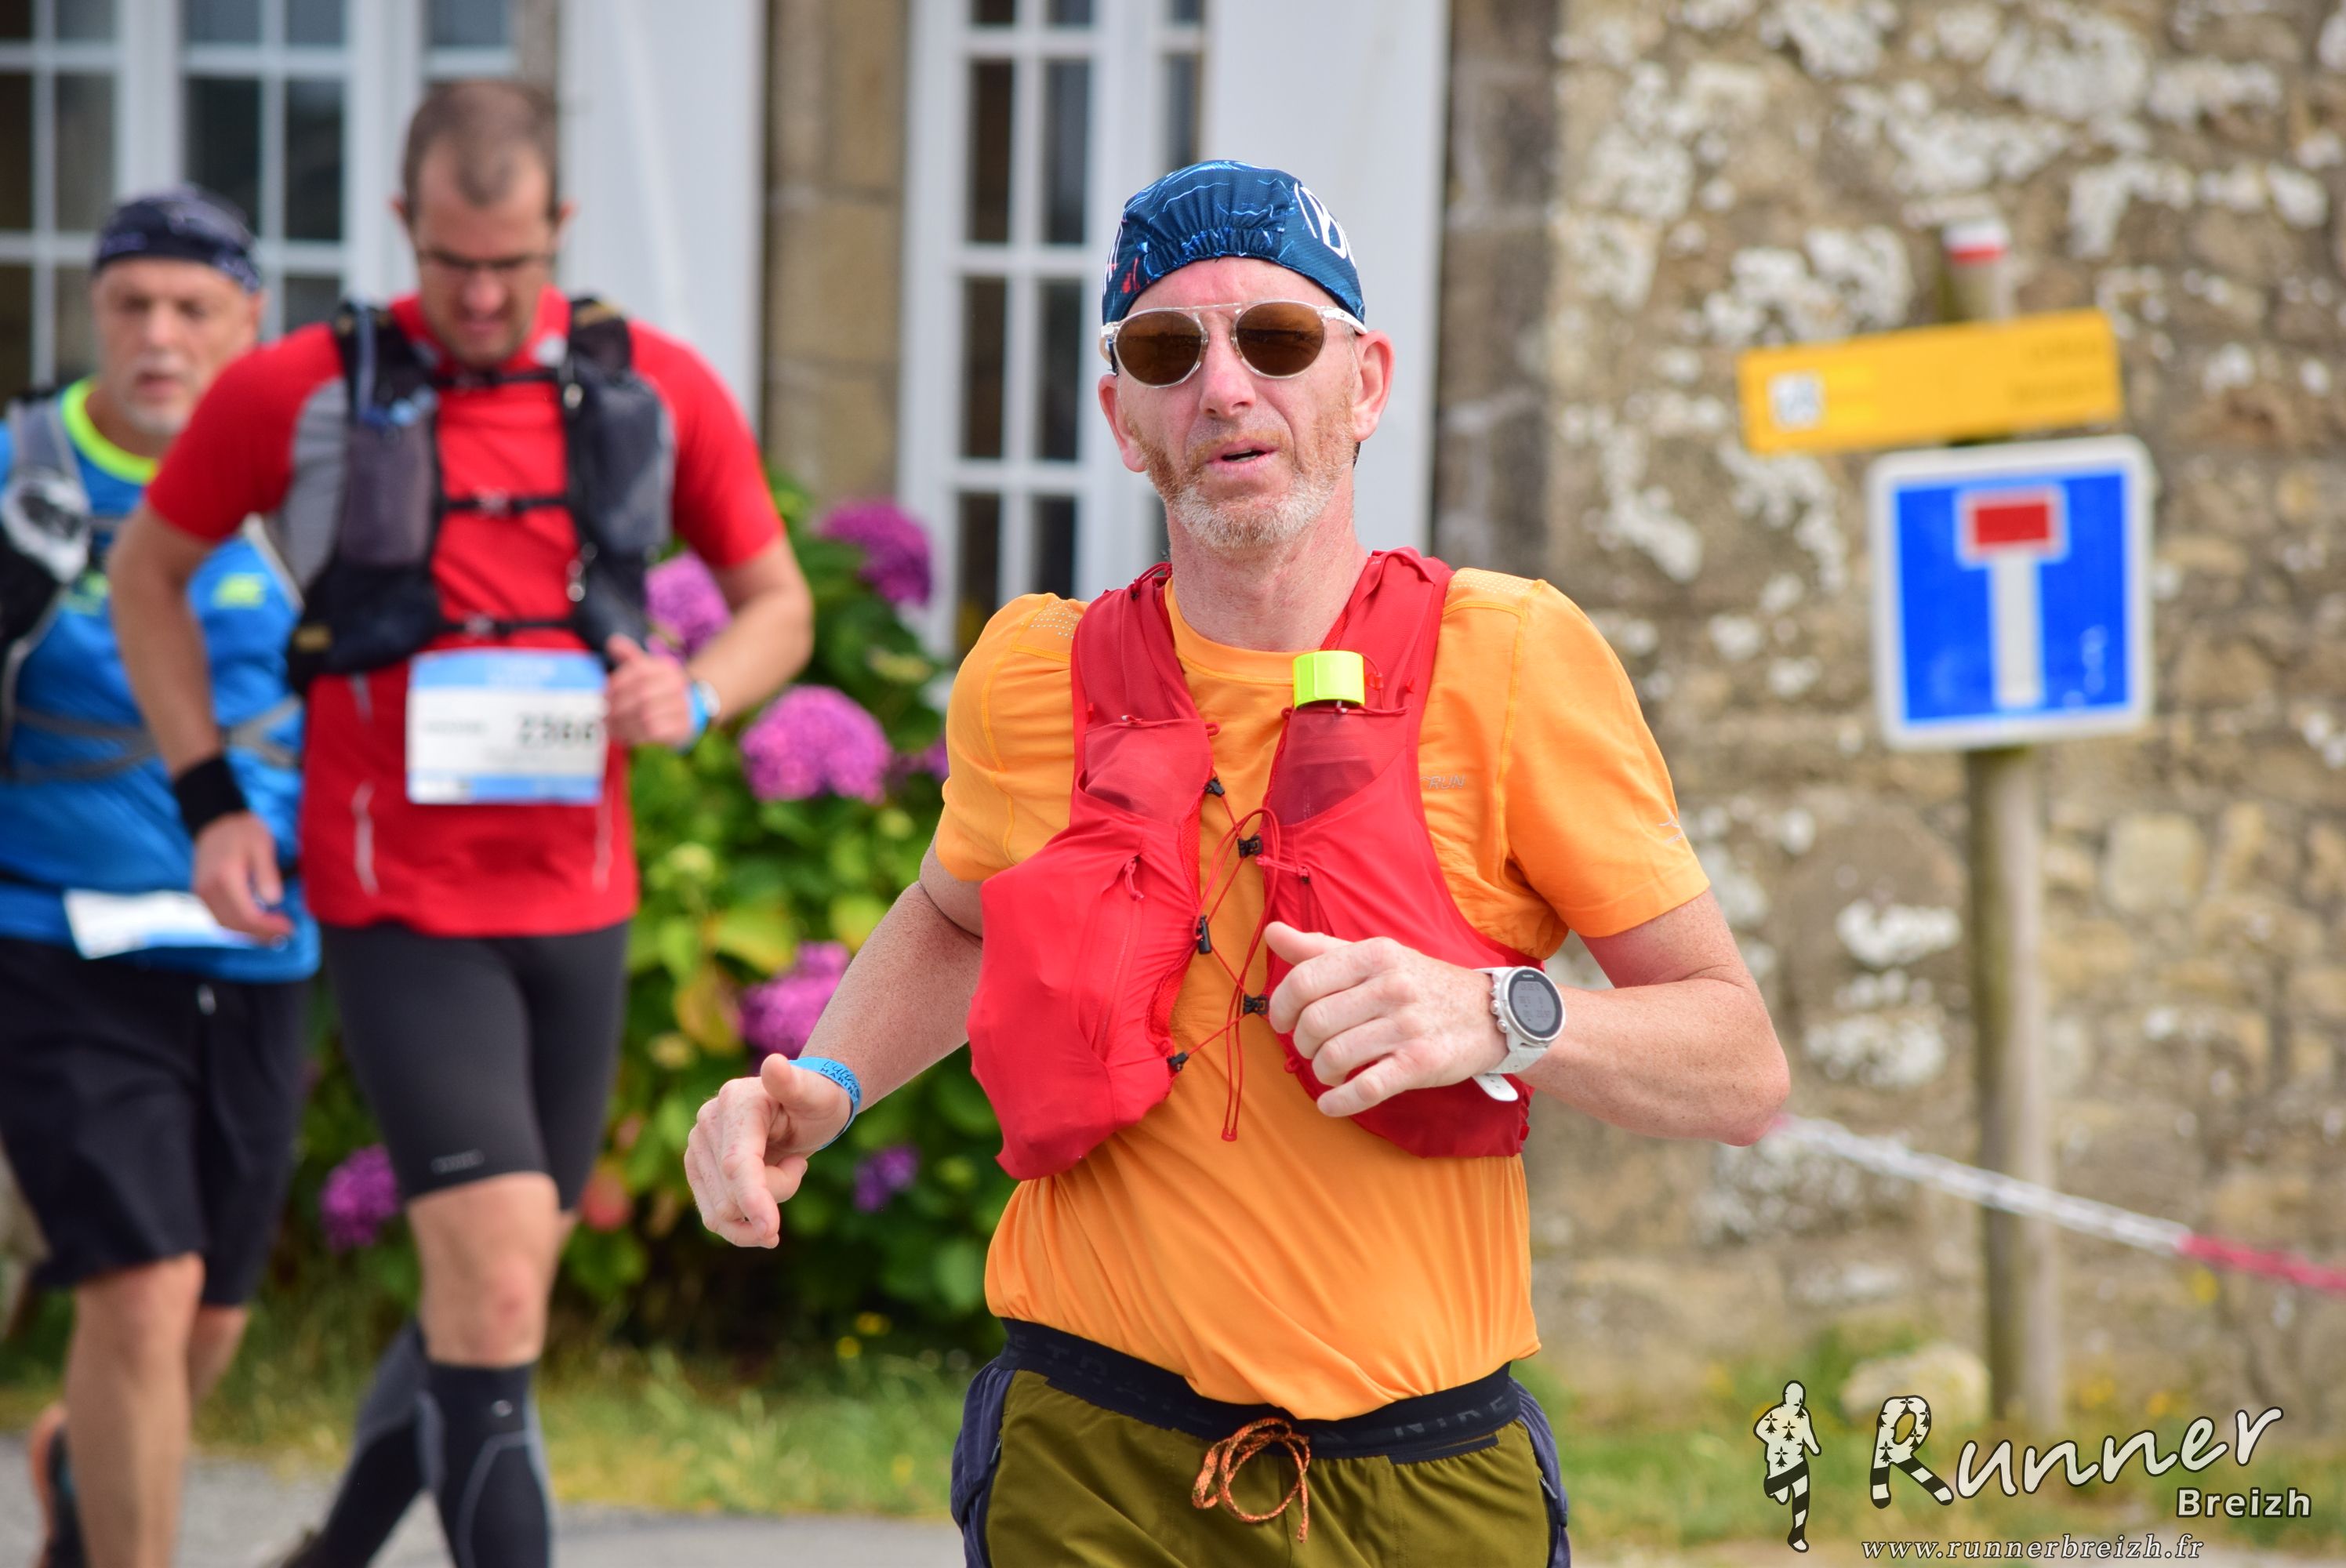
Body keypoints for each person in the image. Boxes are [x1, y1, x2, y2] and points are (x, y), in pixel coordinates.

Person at [685, 159, 1791, 1565]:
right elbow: (957, 919)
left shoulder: (1512, 663)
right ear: (1121, 418)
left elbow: (1740, 1064)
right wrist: (823, 1089)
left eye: (1276, 338)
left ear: (1365, 383)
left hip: (1426, 1483)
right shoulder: (1030, 678)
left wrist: (1498, 1012)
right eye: (1167, 350)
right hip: (1089, 1465)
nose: (1224, 388)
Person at [109, 82, 812, 1568]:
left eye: (511, 263)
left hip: (580, 906)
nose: (482, 297)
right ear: (401, 228)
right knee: (494, 1296)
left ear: (560, 226)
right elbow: (144, 575)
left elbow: (779, 605)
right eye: (449, 264)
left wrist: (693, 695)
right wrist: (209, 801)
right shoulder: (296, 389)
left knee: (493, 1288)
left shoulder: (653, 384)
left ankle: (328, 1559)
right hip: (401, 908)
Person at [0, 188, 311, 1568]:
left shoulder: (303, 489)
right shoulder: (21, 475)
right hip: (53, 939)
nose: (160, 335)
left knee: (209, 1315)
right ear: (93, 313)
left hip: (261, 948)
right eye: (131, 305)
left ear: (252, 320)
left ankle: (84, 1464)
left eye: (194, 307)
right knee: (140, 1286)